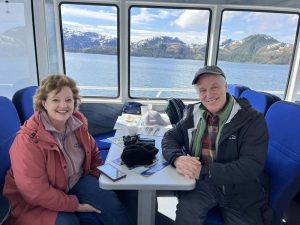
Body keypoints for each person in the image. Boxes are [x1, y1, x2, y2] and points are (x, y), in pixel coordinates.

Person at [3, 75, 133, 225]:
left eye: (68, 100)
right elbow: (35, 192)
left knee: (111, 204)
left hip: (74, 180)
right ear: (44, 102)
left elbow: (94, 152)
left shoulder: (77, 123)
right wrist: (75, 205)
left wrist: (98, 179)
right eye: (56, 100)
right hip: (33, 199)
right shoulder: (28, 141)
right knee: (68, 222)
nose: (63, 106)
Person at [162, 65, 271, 225]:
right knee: (186, 214)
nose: (208, 95)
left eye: (214, 87)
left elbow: (251, 166)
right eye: (202, 90)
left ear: (226, 87)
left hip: (239, 189)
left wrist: (202, 171)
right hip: (203, 185)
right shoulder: (193, 113)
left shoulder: (252, 119)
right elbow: (169, 137)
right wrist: (177, 158)